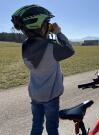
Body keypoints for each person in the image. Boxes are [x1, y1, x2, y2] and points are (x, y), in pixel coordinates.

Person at [11, 4, 75, 135]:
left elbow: (41, 43)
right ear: (39, 26)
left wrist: (48, 33)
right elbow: (69, 49)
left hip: (35, 95)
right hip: (51, 96)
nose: (49, 25)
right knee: (52, 128)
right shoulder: (51, 48)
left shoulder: (25, 46)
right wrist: (58, 33)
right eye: (47, 23)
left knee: (36, 125)